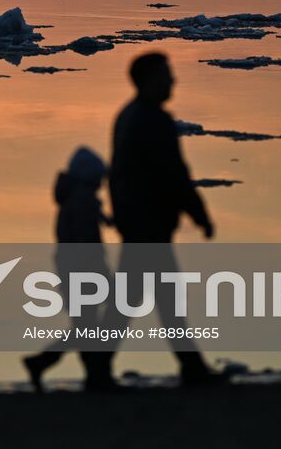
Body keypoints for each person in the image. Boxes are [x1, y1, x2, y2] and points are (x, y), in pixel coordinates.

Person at [106, 51, 226, 387]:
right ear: (148, 80)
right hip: (148, 227)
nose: (172, 81)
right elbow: (174, 175)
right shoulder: (150, 121)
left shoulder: (130, 115)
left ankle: (190, 368)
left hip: (140, 224)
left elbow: (120, 176)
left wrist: (125, 219)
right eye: (165, 75)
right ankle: (191, 369)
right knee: (155, 301)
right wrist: (200, 215)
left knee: (139, 300)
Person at [22, 146, 116, 393]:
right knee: (86, 329)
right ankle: (45, 364)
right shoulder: (82, 202)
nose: (101, 183)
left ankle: (90, 375)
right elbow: (87, 243)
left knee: (85, 328)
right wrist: (103, 277)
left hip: (71, 269)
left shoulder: (78, 199)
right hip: (82, 272)